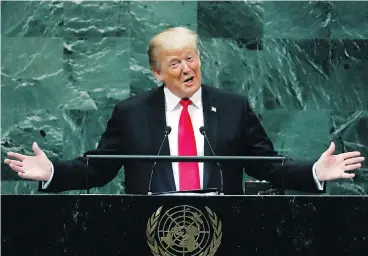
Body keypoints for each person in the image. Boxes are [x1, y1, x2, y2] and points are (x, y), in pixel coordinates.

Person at [4, 27, 364, 195]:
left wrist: (314, 172)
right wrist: (52, 172)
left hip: (225, 231)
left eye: (191, 57)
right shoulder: (132, 112)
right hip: (149, 232)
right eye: (174, 63)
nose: (187, 68)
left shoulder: (232, 107)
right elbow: (97, 169)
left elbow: (266, 165)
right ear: (157, 73)